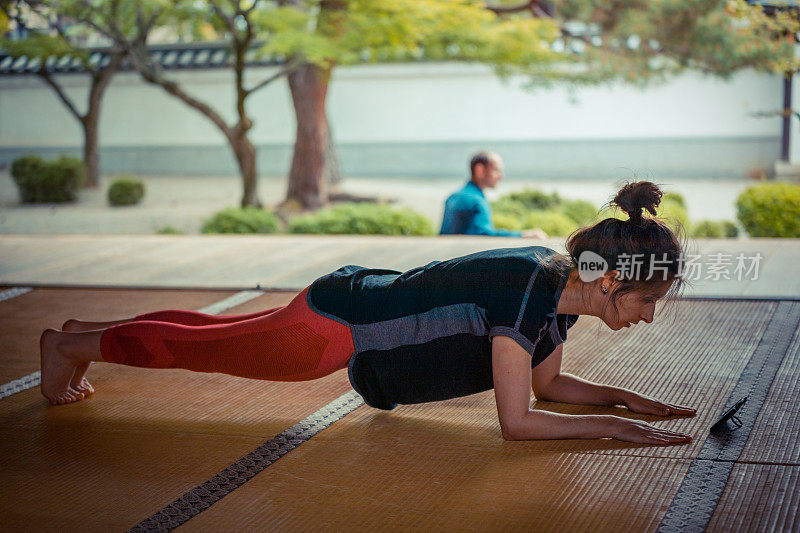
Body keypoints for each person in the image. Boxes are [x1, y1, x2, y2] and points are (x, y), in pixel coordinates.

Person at [40, 180, 695, 445]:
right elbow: (517, 419)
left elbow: (547, 383)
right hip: (337, 330)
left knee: (215, 333)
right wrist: (612, 429)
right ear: (611, 279)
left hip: (346, 300)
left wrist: (623, 399)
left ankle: (80, 338)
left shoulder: (556, 289)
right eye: (646, 300)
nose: (648, 315)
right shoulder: (528, 293)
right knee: (205, 347)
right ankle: (69, 347)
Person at [440, 151, 548, 238]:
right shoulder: (476, 201)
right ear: (480, 170)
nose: (501, 176)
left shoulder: (453, 197)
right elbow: (485, 234)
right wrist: (524, 234)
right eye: (497, 170)